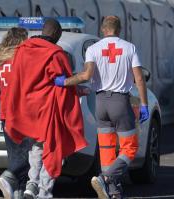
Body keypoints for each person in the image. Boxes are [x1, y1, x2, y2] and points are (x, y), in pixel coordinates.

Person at [54, 16, 149, 199]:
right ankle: (106, 178)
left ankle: (112, 191)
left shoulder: (93, 49)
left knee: (106, 148)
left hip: (100, 103)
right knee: (130, 147)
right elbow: (139, 78)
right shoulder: (129, 48)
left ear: (103, 30)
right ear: (119, 30)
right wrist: (144, 104)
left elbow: (86, 75)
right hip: (120, 103)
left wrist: (64, 81)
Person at [4, 18, 88, 199]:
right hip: (48, 109)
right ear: (57, 35)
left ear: (43, 31)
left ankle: (30, 186)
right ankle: (44, 191)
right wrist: (78, 90)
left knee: (36, 146)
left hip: (27, 110)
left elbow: (16, 80)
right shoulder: (56, 54)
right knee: (53, 147)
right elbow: (62, 84)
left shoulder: (22, 50)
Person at [0, 27, 32, 199]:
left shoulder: (1, 62)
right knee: (29, 155)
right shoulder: (23, 60)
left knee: (15, 155)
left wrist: (5, 98)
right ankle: (8, 176)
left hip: (6, 115)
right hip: (23, 115)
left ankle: (17, 193)